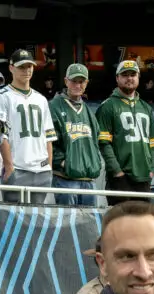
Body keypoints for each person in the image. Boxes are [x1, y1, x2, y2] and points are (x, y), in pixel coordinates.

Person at [0, 49, 56, 204]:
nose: (26, 71)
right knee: (13, 222)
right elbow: (0, 134)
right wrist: (9, 166)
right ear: (11, 67)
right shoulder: (2, 96)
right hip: (17, 168)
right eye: (21, 67)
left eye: (29, 66)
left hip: (41, 170)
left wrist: (49, 167)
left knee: (38, 222)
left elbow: (48, 136)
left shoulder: (41, 99)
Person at [96, 60, 154, 204]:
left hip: (144, 177)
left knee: (141, 223)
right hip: (120, 178)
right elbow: (104, 143)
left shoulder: (146, 107)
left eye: (133, 74)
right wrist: (117, 172)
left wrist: (152, 168)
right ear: (117, 78)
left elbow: (153, 142)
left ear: (138, 77)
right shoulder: (108, 106)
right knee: (121, 223)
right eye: (125, 75)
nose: (129, 78)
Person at [49, 63, 101, 206]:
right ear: (66, 81)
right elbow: (47, 141)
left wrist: (94, 162)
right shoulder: (54, 106)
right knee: (67, 224)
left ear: (87, 83)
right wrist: (61, 162)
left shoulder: (89, 111)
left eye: (81, 81)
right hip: (65, 179)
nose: (78, 85)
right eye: (74, 81)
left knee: (89, 226)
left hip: (89, 180)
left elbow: (96, 142)